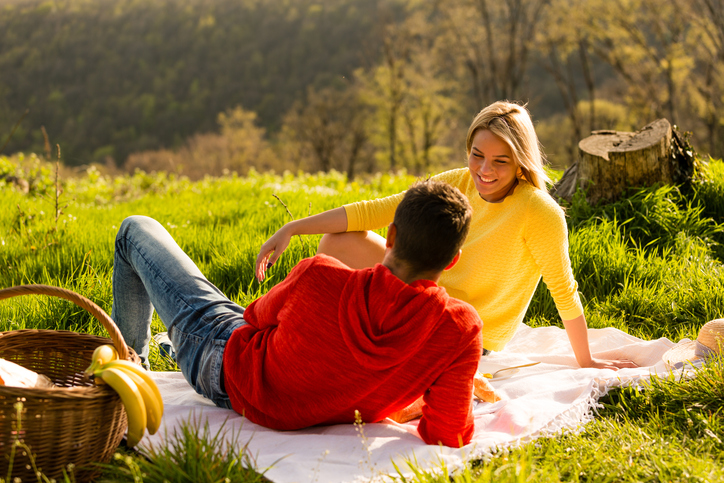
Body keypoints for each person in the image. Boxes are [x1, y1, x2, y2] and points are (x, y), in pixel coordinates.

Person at [256, 100, 636, 370]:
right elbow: (379, 209)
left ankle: (363, 335)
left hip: (462, 329)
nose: (484, 170)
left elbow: (563, 290)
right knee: (336, 243)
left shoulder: (541, 213)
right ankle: (345, 329)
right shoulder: (457, 181)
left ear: (521, 160)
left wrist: (586, 361)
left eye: (500, 161)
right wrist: (293, 227)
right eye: (476, 155)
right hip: (423, 293)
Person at [111, 180, 484, 447]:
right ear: (453, 261)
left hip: (224, 369)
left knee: (135, 230)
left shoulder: (319, 274)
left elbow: (255, 318)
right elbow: (448, 433)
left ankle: (129, 373)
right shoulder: (460, 330)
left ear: (389, 235)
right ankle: (170, 347)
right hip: (310, 400)